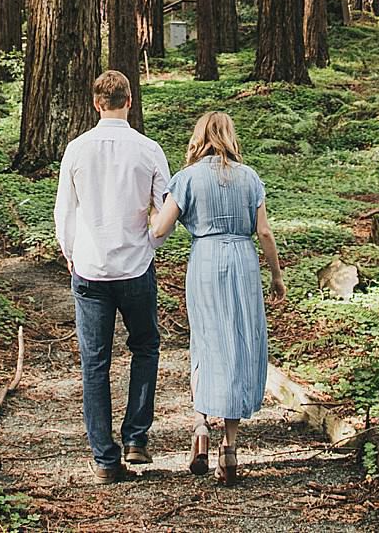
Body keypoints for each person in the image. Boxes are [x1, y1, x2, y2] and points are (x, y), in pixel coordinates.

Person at [151, 110, 285, 483]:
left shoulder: (187, 178)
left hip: (206, 261)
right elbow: (265, 233)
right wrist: (276, 276)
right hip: (243, 261)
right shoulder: (250, 177)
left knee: (207, 341)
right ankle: (230, 448)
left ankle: (199, 428)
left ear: (200, 137)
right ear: (229, 136)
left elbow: (160, 229)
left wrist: (147, 211)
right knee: (239, 343)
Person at [53, 69, 172, 483]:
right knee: (145, 346)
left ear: (96, 103)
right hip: (136, 266)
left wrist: (71, 254)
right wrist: (151, 244)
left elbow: (64, 211)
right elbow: (167, 210)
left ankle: (106, 460)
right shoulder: (148, 149)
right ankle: (136, 437)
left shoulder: (76, 149)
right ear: (129, 101)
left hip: (90, 268)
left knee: (95, 362)